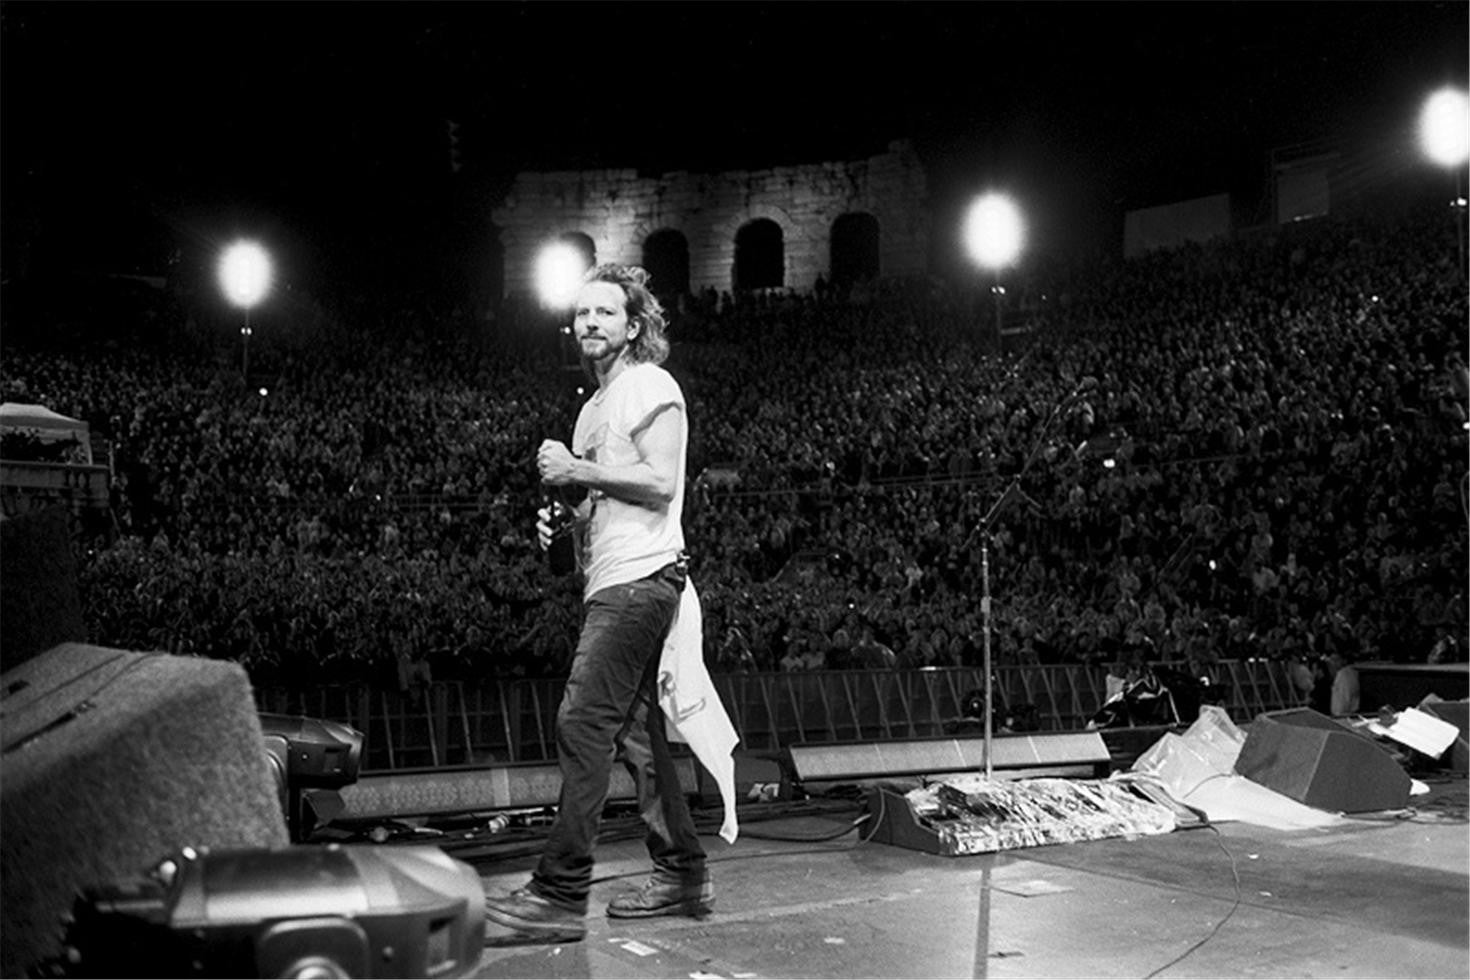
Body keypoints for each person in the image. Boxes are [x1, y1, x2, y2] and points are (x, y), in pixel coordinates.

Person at [483, 264, 718, 944]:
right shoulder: (591, 410)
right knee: (637, 735)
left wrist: (576, 470)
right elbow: (595, 513)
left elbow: (660, 482)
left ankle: (559, 894)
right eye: (581, 312)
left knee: (582, 721)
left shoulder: (651, 384)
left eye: (605, 312)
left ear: (634, 326)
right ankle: (681, 871)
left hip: (643, 580)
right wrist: (565, 524)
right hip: (610, 579)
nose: (589, 321)